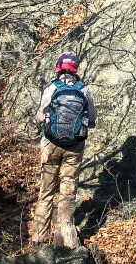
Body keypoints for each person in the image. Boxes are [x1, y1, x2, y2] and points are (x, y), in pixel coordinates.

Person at [32, 51, 97, 247]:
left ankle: (39, 239)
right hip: (74, 147)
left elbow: (39, 116)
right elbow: (93, 119)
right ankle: (65, 237)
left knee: (46, 191)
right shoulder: (83, 90)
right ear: (76, 69)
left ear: (58, 68)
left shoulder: (51, 87)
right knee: (68, 190)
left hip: (50, 145)